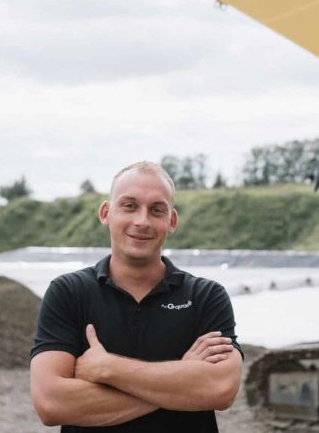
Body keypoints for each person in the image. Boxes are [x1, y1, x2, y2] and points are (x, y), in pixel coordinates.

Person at [29, 161, 242, 431]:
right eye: (129, 206)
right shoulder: (69, 292)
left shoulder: (206, 296)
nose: (142, 221)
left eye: (156, 210)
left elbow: (220, 389)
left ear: (171, 221)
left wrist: (108, 368)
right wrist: (181, 379)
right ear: (106, 213)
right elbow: (51, 403)